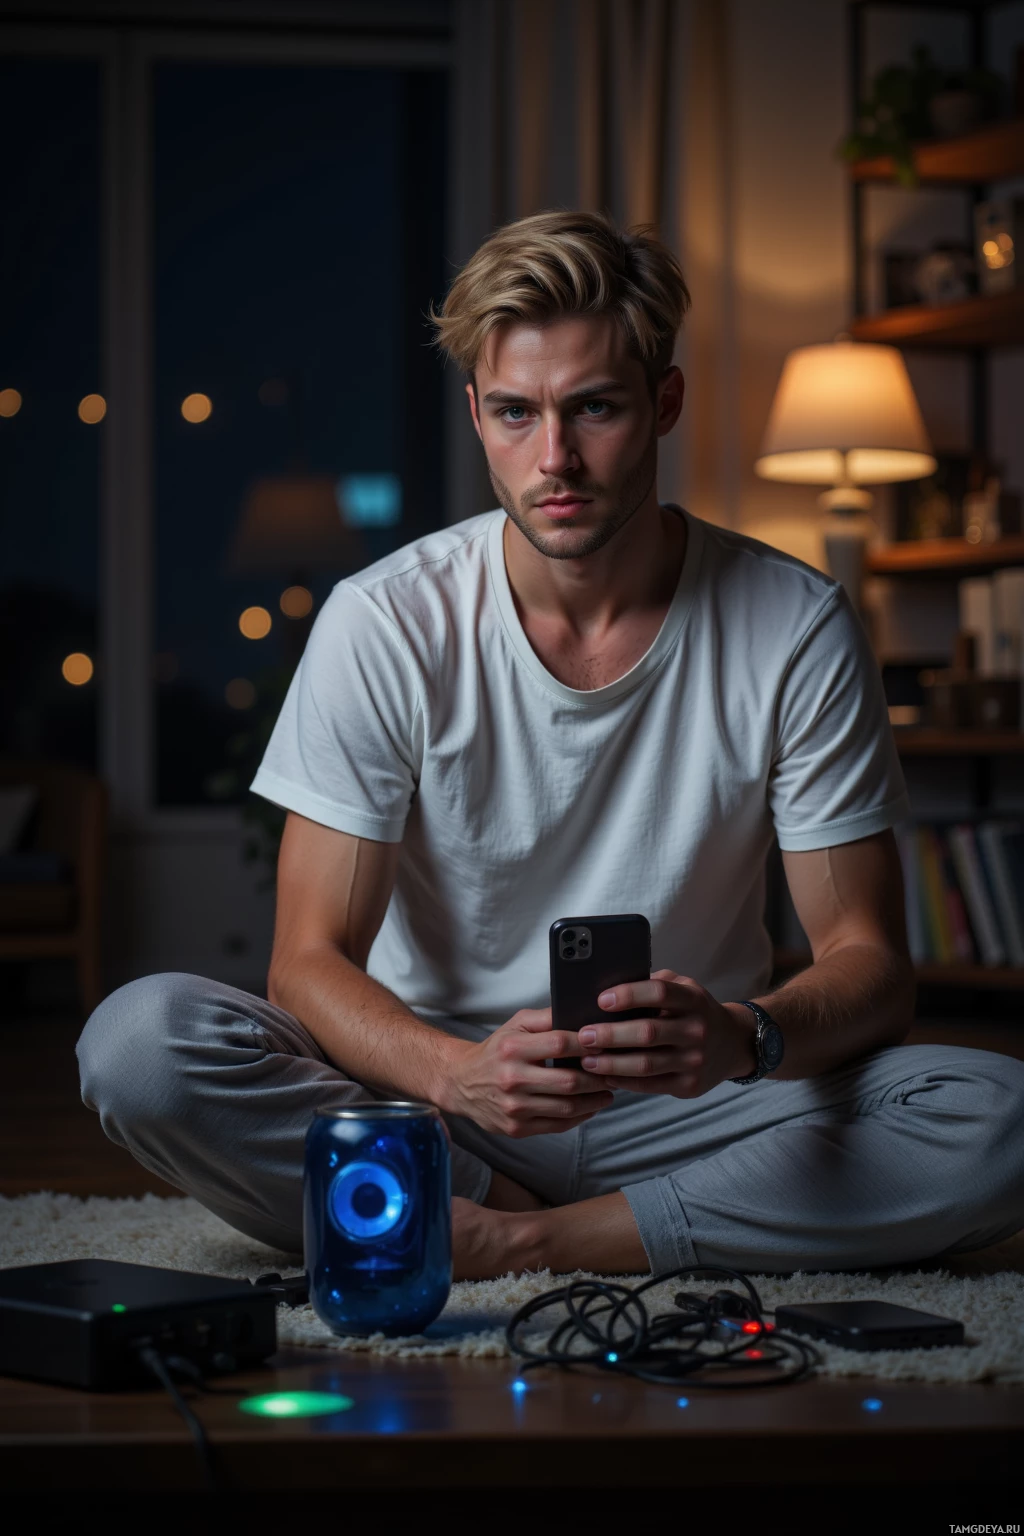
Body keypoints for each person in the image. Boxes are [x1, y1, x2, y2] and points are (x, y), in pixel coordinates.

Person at [79, 211, 1024, 1279]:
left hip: (696, 1107)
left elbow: (869, 961)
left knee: (999, 1116)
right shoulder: (385, 620)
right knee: (137, 1045)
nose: (554, 459)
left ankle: (508, 1238)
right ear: (476, 414)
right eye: (517, 415)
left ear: (663, 403)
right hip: (439, 1104)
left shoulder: (792, 622)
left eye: (595, 410)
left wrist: (741, 1035)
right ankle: (535, 1207)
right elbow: (306, 962)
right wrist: (453, 1075)